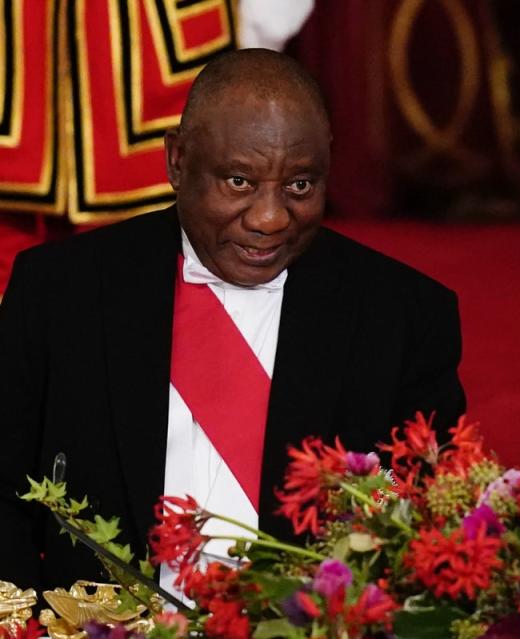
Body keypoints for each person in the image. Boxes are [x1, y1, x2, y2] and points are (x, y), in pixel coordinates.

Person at [0, 49, 465, 591]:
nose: (270, 219)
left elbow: (419, 509)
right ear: (177, 161)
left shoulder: (404, 315)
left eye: (300, 185)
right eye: (239, 182)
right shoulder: (60, 291)